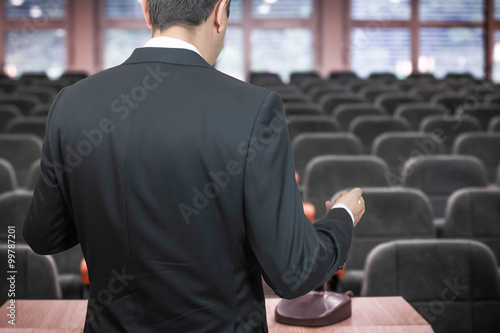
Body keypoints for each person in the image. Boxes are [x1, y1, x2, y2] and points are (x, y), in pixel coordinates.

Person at [23, 0, 365, 332]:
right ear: (219, 12)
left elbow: (44, 236)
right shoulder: (254, 109)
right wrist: (342, 218)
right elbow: (294, 272)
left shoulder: (71, 105)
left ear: (146, 9)